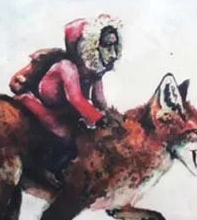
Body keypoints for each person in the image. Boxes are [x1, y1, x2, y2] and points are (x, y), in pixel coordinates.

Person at [10, 14, 123, 185]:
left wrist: (111, 118)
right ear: (88, 45)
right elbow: (75, 98)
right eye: (106, 45)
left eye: (114, 45)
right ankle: (48, 172)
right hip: (41, 105)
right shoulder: (67, 67)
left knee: (85, 137)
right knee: (66, 135)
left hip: (65, 111)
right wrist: (98, 119)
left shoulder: (94, 71)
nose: (112, 53)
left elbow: (99, 99)